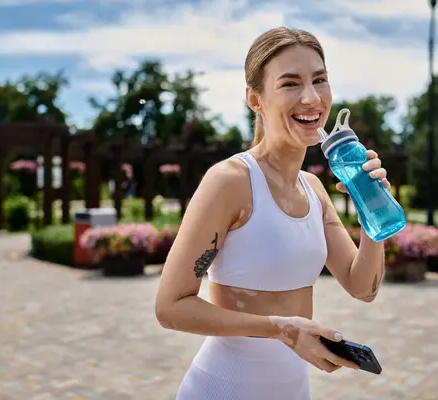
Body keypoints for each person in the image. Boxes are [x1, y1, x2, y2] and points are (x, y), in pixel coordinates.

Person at [155, 26, 390, 400]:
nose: (311, 98)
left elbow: (364, 288)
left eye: (319, 80)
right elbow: (170, 308)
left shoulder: (313, 190)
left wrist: (372, 209)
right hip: (222, 388)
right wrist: (282, 329)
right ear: (255, 99)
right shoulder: (230, 181)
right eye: (290, 84)